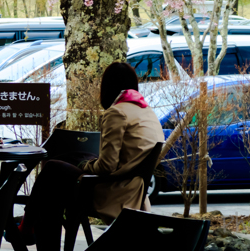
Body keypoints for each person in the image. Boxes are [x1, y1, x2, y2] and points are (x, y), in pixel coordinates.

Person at [18, 62, 164, 251]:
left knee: (53, 171)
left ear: (107, 86)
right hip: (135, 190)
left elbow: (106, 167)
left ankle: (27, 226)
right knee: (63, 173)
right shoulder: (147, 112)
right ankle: (27, 225)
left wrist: (85, 166)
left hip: (114, 191)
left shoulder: (117, 112)